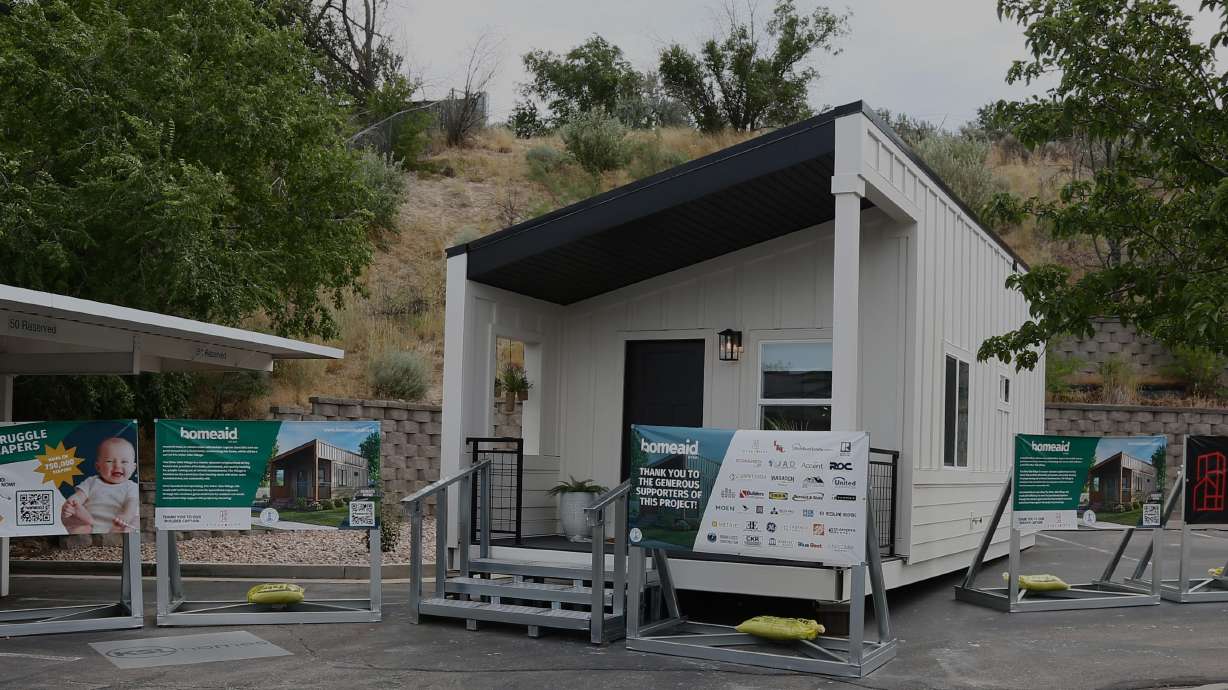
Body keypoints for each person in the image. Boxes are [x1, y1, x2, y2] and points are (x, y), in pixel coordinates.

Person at [61, 437, 138, 534]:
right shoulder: (92, 482)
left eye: (124, 462)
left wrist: (126, 515)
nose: (117, 466)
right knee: (73, 518)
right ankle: (81, 523)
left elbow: (131, 503)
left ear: (133, 467)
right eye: (109, 461)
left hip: (117, 523)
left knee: (134, 521)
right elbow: (80, 495)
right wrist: (73, 503)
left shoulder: (131, 487)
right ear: (98, 467)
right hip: (90, 522)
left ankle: (118, 533)